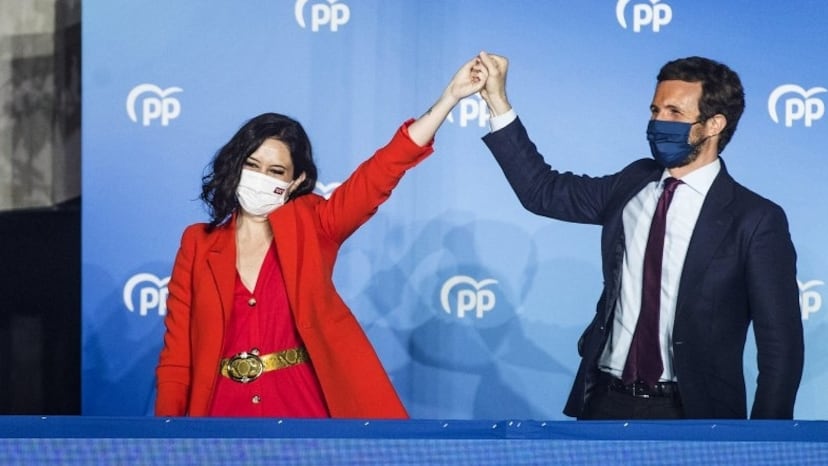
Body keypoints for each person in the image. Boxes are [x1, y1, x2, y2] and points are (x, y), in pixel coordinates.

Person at [476, 52, 804, 420]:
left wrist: (762, 440)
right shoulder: (632, 182)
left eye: (674, 113)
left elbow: (781, 347)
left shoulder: (755, 219)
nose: (659, 122)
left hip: (695, 415)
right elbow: (542, 192)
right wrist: (497, 101)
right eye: (655, 110)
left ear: (714, 125)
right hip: (605, 403)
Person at [154, 57, 487, 418]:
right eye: (251, 165)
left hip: (302, 407)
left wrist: (449, 98)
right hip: (221, 413)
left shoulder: (315, 224)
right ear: (235, 167)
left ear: (295, 180)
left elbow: (379, 173)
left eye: (275, 171)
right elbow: (177, 358)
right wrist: (166, 436)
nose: (260, 177)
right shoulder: (197, 243)